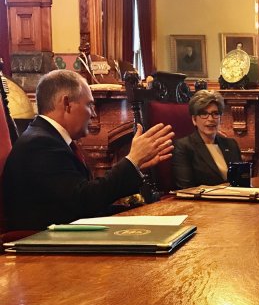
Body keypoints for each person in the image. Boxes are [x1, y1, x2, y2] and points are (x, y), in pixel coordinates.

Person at [2, 70, 175, 231]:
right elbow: (84, 201)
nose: (92, 114)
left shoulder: (48, 138)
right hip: (46, 248)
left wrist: (137, 166)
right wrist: (131, 161)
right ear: (67, 103)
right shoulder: (40, 144)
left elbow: (79, 196)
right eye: (89, 105)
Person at [172, 89, 242, 189]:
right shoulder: (183, 147)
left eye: (215, 113)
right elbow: (186, 189)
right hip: (202, 203)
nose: (210, 119)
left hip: (235, 200)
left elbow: (241, 182)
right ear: (194, 119)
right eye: (204, 114)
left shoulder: (231, 144)